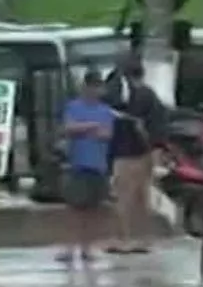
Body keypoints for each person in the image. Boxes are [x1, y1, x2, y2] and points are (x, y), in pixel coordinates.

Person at [105, 54, 165, 254]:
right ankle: (145, 239)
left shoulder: (134, 97)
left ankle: (125, 238)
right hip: (145, 154)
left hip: (127, 153)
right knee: (142, 198)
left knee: (124, 198)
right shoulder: (151, 95)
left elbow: (134, 123)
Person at [59, 71, 114, 263]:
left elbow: (106, 134)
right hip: (79, 164)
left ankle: (87, 248)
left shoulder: (106, 111)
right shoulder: (73, 107)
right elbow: (68, 128)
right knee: (74, 209)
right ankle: (68, 248)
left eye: (99, 87)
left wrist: (82, 129)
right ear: (86, 87)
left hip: (98, 165)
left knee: (93, 210)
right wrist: (91, 127)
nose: (97, 90)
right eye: (93, 86)